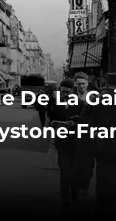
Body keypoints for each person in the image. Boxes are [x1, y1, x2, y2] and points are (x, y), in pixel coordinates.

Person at [80, 73, 116, 217]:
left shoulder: (96, 99)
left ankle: (102, 205)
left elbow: (86, 119)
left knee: (102, 176)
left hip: (101, 145)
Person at [49, 78, 85, 209]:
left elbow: (86, 122)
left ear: (73, 91)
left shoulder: (80, 104)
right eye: (62, 92)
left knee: (75, 171)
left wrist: (75, 124)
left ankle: (75, 196)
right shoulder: (56, 104)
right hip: (62, 143)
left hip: (76, 143)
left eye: (67, 92)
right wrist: (52, 124)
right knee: (65, 171)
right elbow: (52, 119)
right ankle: (65, 198)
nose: (64, 95)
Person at [73, 72, 94, 195]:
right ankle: (76, 185)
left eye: (84, 84)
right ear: (75, 84)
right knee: (75, 161)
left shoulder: (93, 98)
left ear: (88, 84)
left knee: (87, 161)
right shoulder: (71, 98)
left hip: (88, 134)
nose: (81, 86)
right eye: (79, 84)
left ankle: (85, 183)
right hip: (74, 135)